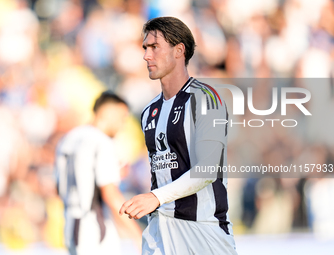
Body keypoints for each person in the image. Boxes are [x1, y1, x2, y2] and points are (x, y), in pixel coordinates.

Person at [120, 17, 238, 255]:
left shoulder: (206, 99)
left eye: (154, 47)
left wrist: (155, 197)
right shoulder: (149, 111)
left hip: (203, 233)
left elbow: (207, 170)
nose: (146, 55)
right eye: (145, 48)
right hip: (160, 232)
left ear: (179, 51)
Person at [55, 91, 142, 255]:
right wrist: (137, 235)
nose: (122, 125)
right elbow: (110, 194)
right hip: (94, 228)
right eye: (122, 118)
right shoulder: (101, 141)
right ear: (109, 113)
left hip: (70, 225)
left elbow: (60, 185)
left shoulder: (68, 138)